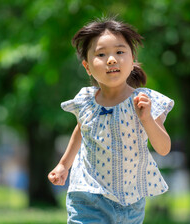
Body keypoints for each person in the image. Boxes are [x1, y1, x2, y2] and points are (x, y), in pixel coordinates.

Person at [48, 17, 174, 224]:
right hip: (87, 196)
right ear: (87, 67)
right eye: (101, 54)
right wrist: (64, 165)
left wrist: (147, 119)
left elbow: (163, 148)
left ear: (132, 60)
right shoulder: (86, 101)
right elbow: (81, 129)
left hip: (130, 201)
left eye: (119, 52)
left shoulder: (145, 101)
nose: (111, 59)